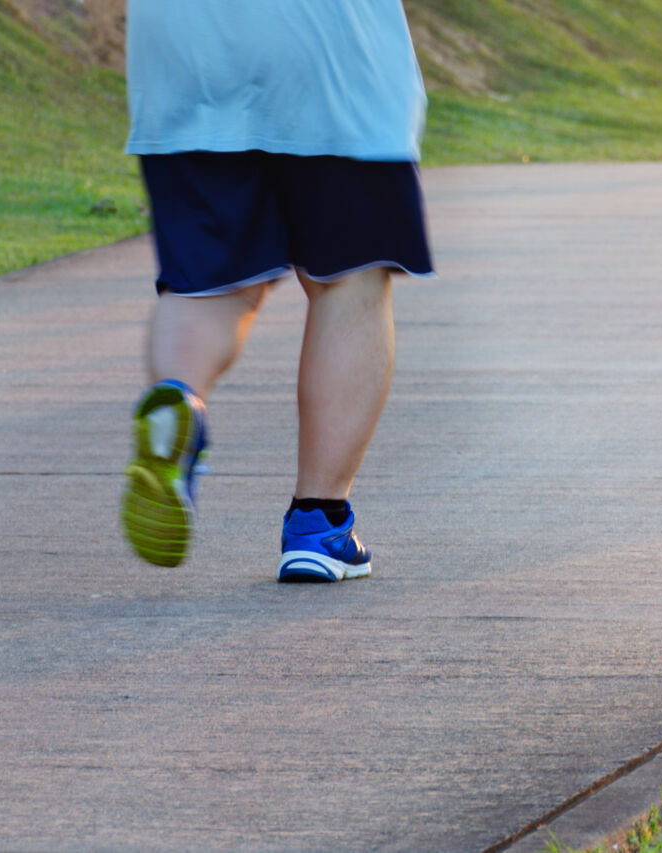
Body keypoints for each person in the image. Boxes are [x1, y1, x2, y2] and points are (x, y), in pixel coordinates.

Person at [119, 0, 434, 582]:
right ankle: (321, 525)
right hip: (327, 46)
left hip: (182, 47)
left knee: (208, 287)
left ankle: (178, 399)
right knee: (350, 278)